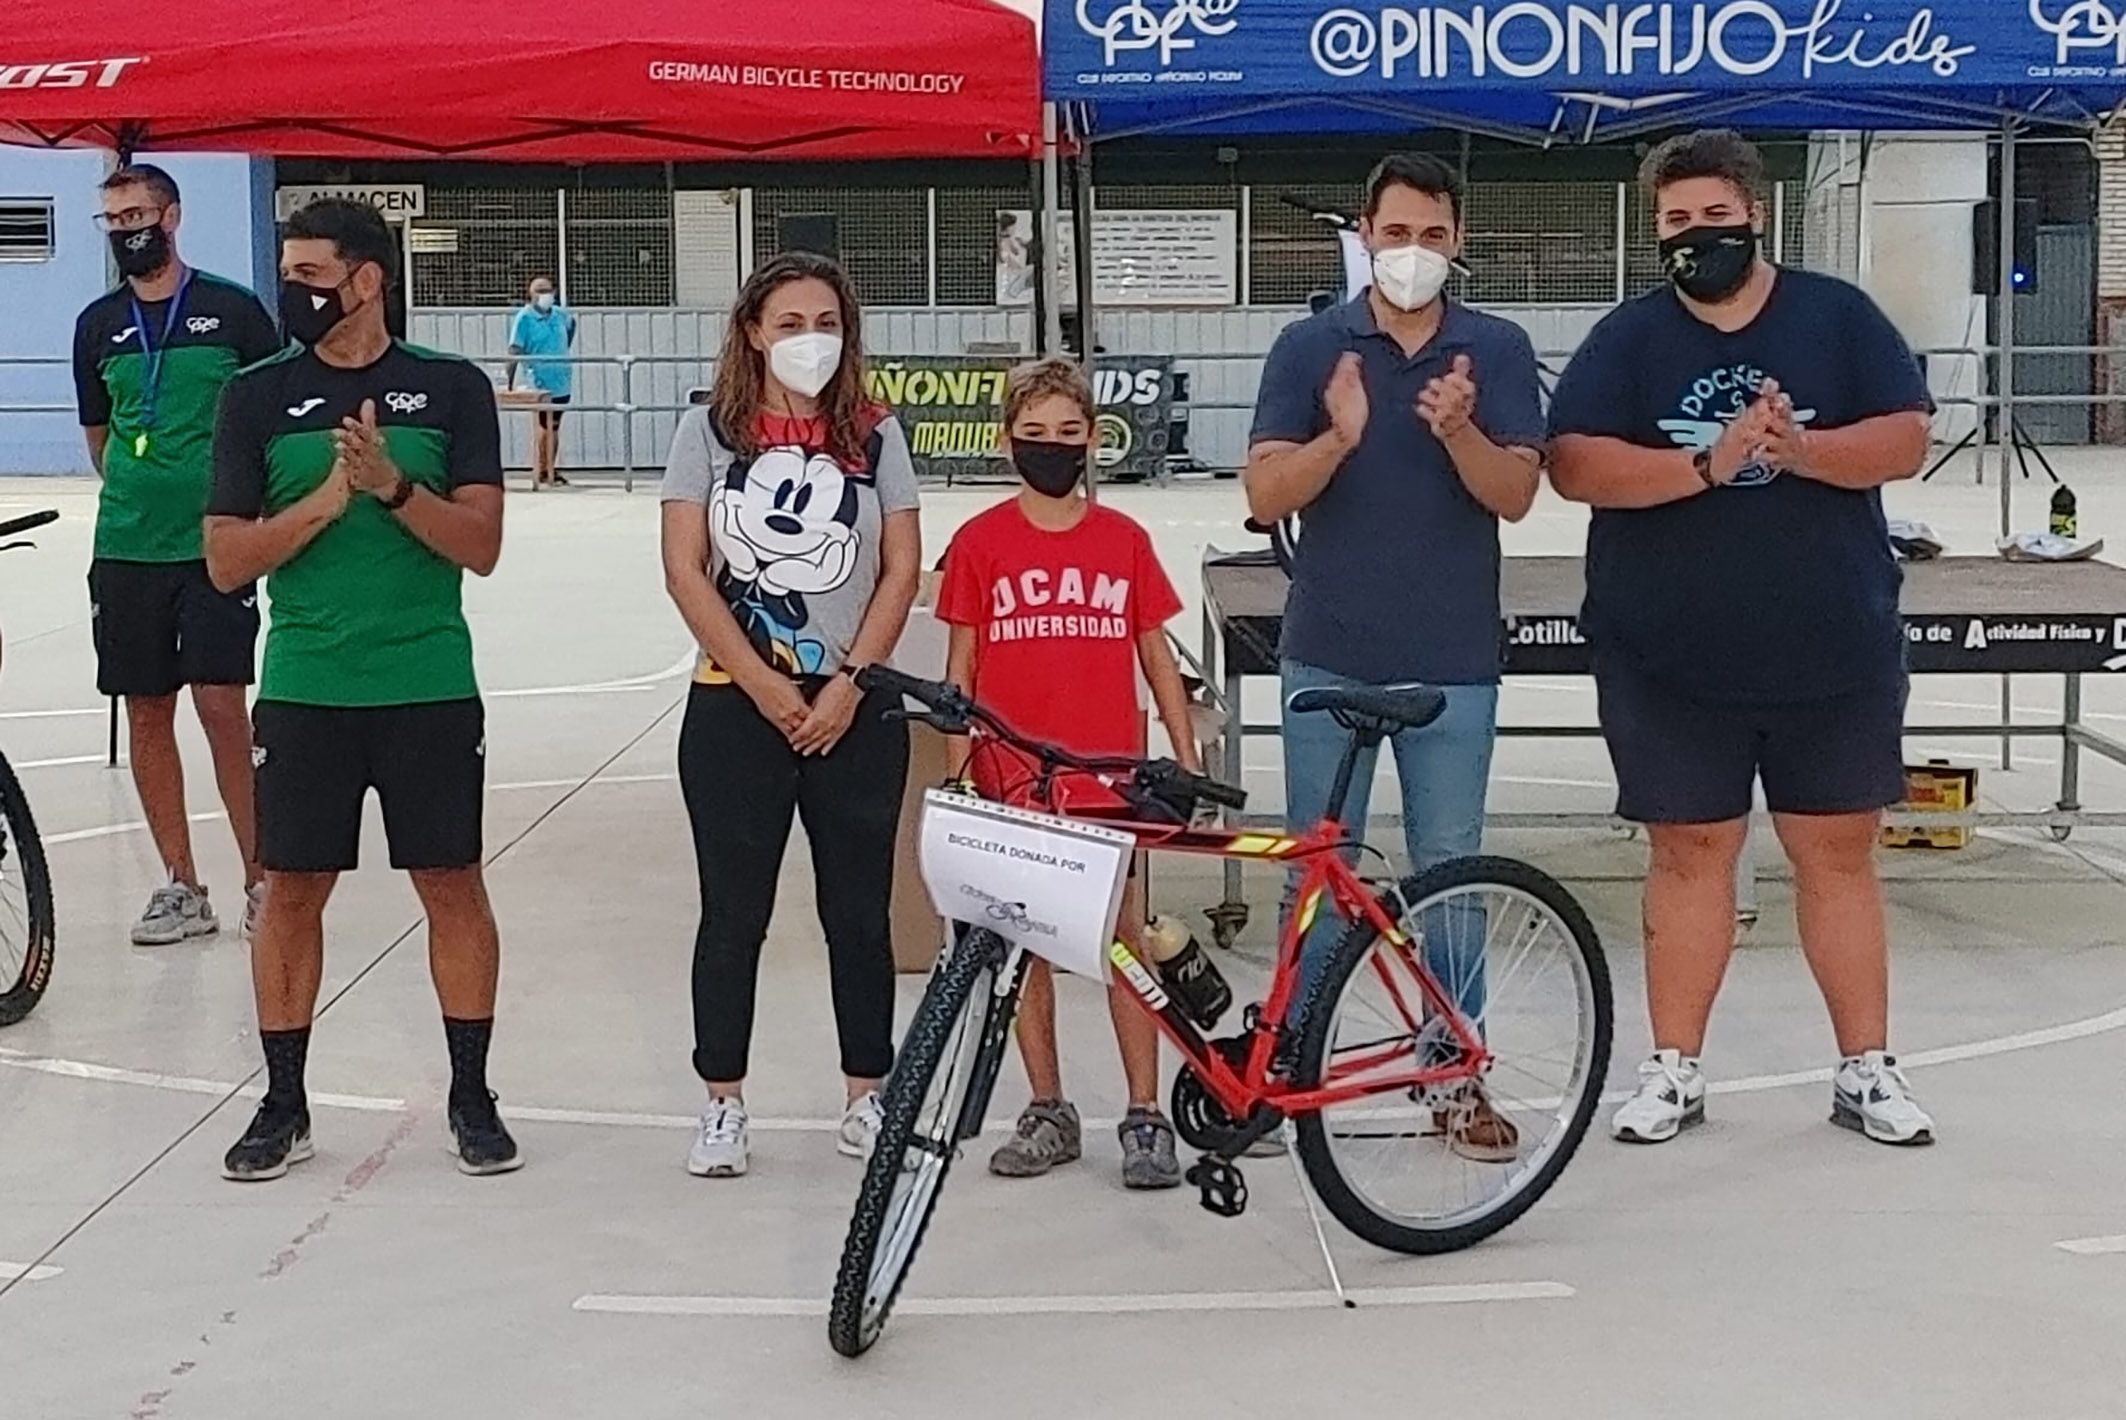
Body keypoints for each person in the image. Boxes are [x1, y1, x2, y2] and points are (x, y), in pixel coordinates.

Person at [1547, 129, 1936, 1148]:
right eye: (1675, 221)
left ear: (1753, 213)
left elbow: (1903, 435)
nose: (1694, 236)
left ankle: (1864, 1067)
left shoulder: (1835, 317)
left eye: (1712, 216)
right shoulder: (1627, 340)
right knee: (1687, 853)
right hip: (1667, 658)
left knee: (1837, 854)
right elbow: (1576, 464)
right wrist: (1706, 465)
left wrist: (1797, 449)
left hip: (1829, 650)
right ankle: (1672, 1067)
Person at [1243, 153, 1545, 1162]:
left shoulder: (1492, 349)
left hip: (1451, 658)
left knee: (1449, 870)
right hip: (1328, 653)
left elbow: (1513, 494)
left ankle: (1452, 1071)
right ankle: (1295, 1064)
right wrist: (1337, 439)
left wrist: (1457, 432)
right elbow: (1264, 494)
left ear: (1455, 242)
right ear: (1362, 235)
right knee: (1314, 873)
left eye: (1429, 235)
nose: (1409, 254)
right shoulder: (1310, 346)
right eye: (1393, 232)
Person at [203, 198, 513, 1181]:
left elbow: (483, 546)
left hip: (426, 683)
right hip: (305, 688)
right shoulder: (256, 397)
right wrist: (327, 500)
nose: (291, 290)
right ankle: (283, 1101)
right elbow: (222, 560)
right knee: (289, 891)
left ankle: (471, 1095)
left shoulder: (450, 389)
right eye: (286, 271)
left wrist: (389, 486)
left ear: (367, 279)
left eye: (308, 272)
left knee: (451, 883)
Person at [660, 252, 921, 1179]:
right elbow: (687, 570)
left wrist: (850, 680)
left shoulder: (877, 436)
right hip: (736, 709)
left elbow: (900, 568)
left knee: (858, 914)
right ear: (752, 333)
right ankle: (722, 1101)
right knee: (734, 913)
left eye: (826, 322)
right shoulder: (709, 432)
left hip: (855, 709)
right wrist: (767, 685)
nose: (810, 340)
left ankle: (866, 1093)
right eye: (791, 322)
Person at [936, 358, 1200, 1191]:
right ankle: (1048, 1107)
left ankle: (1145, 1114)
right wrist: (959, 778)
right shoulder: (980, 542)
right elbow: (962, 669)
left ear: (1094, 439)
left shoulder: (1123, 541)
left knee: (1125, 944)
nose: (1052, 448)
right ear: (1006, 439)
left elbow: (1157, 659)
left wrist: (1185, 758)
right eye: (1035, 434)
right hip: (1015, 780)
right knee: (1026, 954)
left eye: (1069, 433)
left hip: (1108, 781)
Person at [72, 163, 282, 946]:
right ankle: (181, 885)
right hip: (127, 547)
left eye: (137, 213)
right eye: (112, 217)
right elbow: (99, 437)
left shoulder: (232, 311)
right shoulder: (98, 323)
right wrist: (143, 485)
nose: (127, 228)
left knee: (222, 705)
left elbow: (274, 415)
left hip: (214, 547)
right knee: (147, 710)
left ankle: (261, 878)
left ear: (172, 216)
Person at [506, 275, 576, 489]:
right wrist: (509, 380)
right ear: (532, 295)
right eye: (541, 291)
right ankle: (542, 469)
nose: (546, 295)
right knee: (544, 426)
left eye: (549, 290)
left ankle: (550, 469)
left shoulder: (560, 315)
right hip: (539, 380)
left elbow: (571, 329)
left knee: (554, 426)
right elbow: (515, 350)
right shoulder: (525, 318)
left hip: (561, 379)